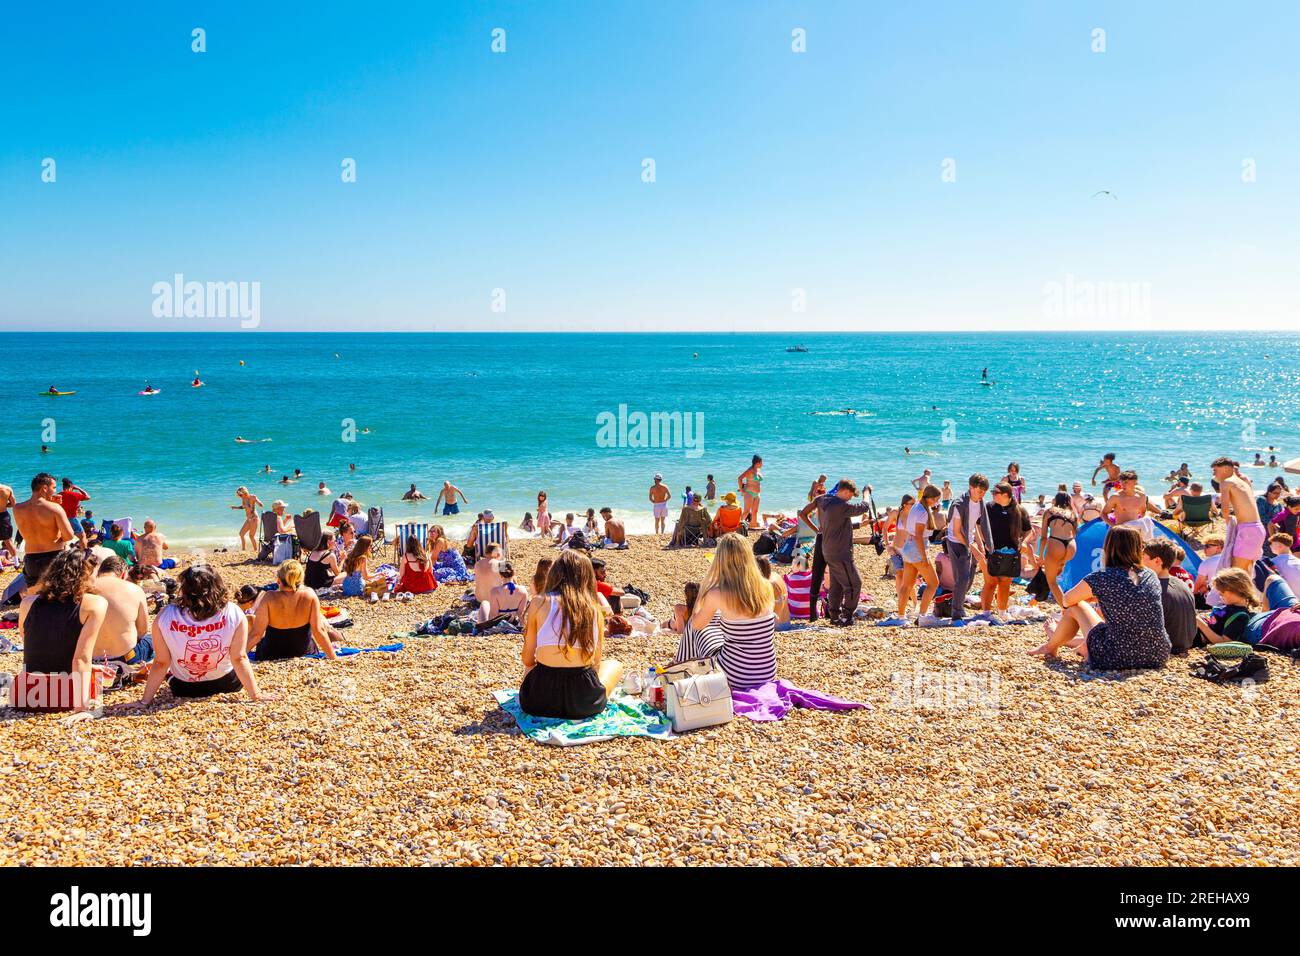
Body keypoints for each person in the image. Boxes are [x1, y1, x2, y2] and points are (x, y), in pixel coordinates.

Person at [1030, 526, 1169, 669]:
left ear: (1108, 548)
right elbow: (1132, 599)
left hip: (1116, 656)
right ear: (1139, 548)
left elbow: (1067, 599)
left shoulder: (1103, 577)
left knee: (1075, 606)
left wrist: (1088, 598)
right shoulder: (1150, 575)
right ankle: (1077, 645)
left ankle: (1051, 646)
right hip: (1157, 654)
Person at [518, 550, 624, 719]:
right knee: (614, 665)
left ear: (555, 573)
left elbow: (527, 659)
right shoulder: (593, 608)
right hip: (583, 703)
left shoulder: (539, 601)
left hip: (539, 701)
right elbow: (595, 663)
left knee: (532, 668)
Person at [141, 564, 265, 702]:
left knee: (170, 673)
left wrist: (145, 701)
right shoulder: (233, 612)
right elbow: (239, 658)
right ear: (217, 586)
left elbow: (161, 663)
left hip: (183, 688)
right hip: (226, 684)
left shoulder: (165, 615)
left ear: (185, 588)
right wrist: (256, 695)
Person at [673, 533, 777, 688]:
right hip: (767, 673)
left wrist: (705, 589)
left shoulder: (717, 593)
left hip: (735, 676)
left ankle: (679, 666)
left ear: (720, 560)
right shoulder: (766, 585)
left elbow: (696, 624)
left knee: (693, 629)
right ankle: (679, 664)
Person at [17, 551, 108, 709]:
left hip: (25, 694)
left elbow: (37, 645)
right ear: (85, 575)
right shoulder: (95, 604)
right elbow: (81, 659)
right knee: (97, 679)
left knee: (91, 670)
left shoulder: (28, 602)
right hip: (63, 694)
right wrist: (81, 707)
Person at [812, 478, 873, 626]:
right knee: (854, 584)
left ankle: (834, 615)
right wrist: (866, 492)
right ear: (845, 491)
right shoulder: (841, 505)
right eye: (850, 495)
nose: (850, 499)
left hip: (828, 550)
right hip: (841, 553)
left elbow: (837, 523)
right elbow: (864, 506)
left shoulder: (825, 500)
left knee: (837, 584)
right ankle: (846, 616)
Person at [249, 560, 338, 660]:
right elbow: (318, 631)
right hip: (303, 652)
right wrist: (333, 657)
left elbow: (256, 634)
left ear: (278, 580)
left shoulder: (269, 597)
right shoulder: (310, 595)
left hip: (271, 653)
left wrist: (237, 657)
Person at [1196, 567, 1299, 647]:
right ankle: (1264, 613)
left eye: (1222, 593)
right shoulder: (1234, 608)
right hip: (1292, 610)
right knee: (1273, 579)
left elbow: (1225, 642)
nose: (1220, 595)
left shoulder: (1240, 617)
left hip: (1272, 625)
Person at [981, 482, 1031, 619]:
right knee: (990, 582)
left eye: (995, 492)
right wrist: (984, 542)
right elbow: (979, 525)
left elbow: (1028, 531)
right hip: (992, 550)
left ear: (1006, 495)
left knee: (1005, 583)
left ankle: (1002, 612)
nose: (992, 495)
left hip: (1011, 552)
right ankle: (986, 613)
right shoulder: (989, 507)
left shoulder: (1019, 510)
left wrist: (1024, 542)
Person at [945, 474, 990, 626]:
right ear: (971, 487)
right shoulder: (959, 504)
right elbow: (957, 531)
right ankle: (956, 615)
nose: (982, 493)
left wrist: (981, 543)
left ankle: (957, 605)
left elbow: (975, 525)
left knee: (969, 578)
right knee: (962, 578)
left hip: (969, 540)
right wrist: (973, 548)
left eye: (984, 491)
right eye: (980, 490)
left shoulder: (980, 502)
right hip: (956, 542)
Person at [90, 556, 153, 665]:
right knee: (150, 640)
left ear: (99, 571)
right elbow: (142, 631)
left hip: (89, 658)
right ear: (123, 574)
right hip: (125, 658)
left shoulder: (84, 588)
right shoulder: (135, 589)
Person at [896, 485, 943, 625]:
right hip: (917, 547)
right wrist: (924, 556)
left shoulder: (917, 506)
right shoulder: (922, 511)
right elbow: (918, 536)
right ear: (931, 498)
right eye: (937, 499)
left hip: (908, 547)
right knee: (933, 583)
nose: (937, 502)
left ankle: (901, 616)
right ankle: (922, 616)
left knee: (907, 585)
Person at [1140, 539, 1196, 655]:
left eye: (1143, 556)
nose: (1140, 561)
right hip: (1186, 645)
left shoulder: (1152, 588)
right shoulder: (1182, 584)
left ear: (1157, 560)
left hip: (1165, 649)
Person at [1213, 456, 1265, 569]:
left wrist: (1229, 525)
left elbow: (1225, 510)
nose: (1214, 474)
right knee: (1246, 573)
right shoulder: (1243, 482)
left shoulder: (1226, 482)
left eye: (1215, 470)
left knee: (1236, 572)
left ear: (1226, 469)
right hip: (1257, 528)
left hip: (1248, 531)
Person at [1039, 492, 1079, 606]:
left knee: (1051, 581)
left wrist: (1041, 556)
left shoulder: (1050, 511)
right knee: (1059, 570)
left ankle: (1065, 609)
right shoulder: (1073, 514)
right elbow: (1075, 533)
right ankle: (1061, 564)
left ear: (1055, 500)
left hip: (1056, 543)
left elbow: (1043, 537)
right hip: (1071, 545)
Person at [1100, 471, 1163, 540]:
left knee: (1147, 519)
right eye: (1121, 482)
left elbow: (1143, 512)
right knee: (1146, 520)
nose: (1122, 485)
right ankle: (1147, 542)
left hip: (1134, 528)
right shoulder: (1116, 497)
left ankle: (1146, 542)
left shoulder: (1141, 496)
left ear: (1134, 482)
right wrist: (1113, 526)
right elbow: (1103, 513)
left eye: (1126, 482)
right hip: (1122, 527)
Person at [479, 561, 529, 625]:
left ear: (500, 574)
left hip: (499, 623)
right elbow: (521, 614)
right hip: (513, 623)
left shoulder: (495, 591)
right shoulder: (523, 590)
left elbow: (494, 615)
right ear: (514, 573)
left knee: (485, 603)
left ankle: (480, 625)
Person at [232, 486, 263, 551]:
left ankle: (255, 550)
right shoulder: (243, 499)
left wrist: (259, 503)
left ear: (245, 492)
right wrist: (236, 507)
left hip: (254, 519)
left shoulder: (252, 497)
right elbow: (244, 507)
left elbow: (260, 503)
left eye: (241, 494)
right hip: (248, 519)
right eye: (239, 495)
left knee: (251, 536)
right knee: (241, 534)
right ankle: (243, 549)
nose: (240, 496)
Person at [738, 455, 763, 526]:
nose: (762, 464)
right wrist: (741, 490)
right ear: (757, 462)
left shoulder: (758, 469)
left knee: (755, 511)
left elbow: (757, 481)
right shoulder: (750, 470)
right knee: (746, 511)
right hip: (749, 493)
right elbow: (740, 478)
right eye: (761, 462)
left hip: (757, 494)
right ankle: (738, 526)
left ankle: (753, 525)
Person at [0, 481, 16, 559]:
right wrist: (4, 505)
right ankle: (16, 563)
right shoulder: (7, 489)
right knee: (8, 541)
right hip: (3, 515)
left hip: (3, 516)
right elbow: (13, 504)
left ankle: (0, 565)